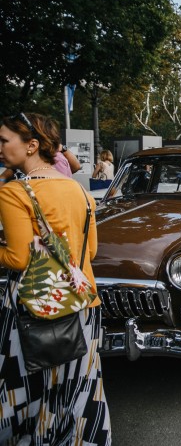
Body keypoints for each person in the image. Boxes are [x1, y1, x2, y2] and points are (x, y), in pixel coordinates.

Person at [0, 112, 112, 444]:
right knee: (80, 389)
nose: (0, 146)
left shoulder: (14, 193)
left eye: (5, 140)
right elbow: (89, 253)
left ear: (32, 145)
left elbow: (18, 258)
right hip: (83, 305)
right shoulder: (79, 191)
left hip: (34, 309)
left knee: (29, 391)